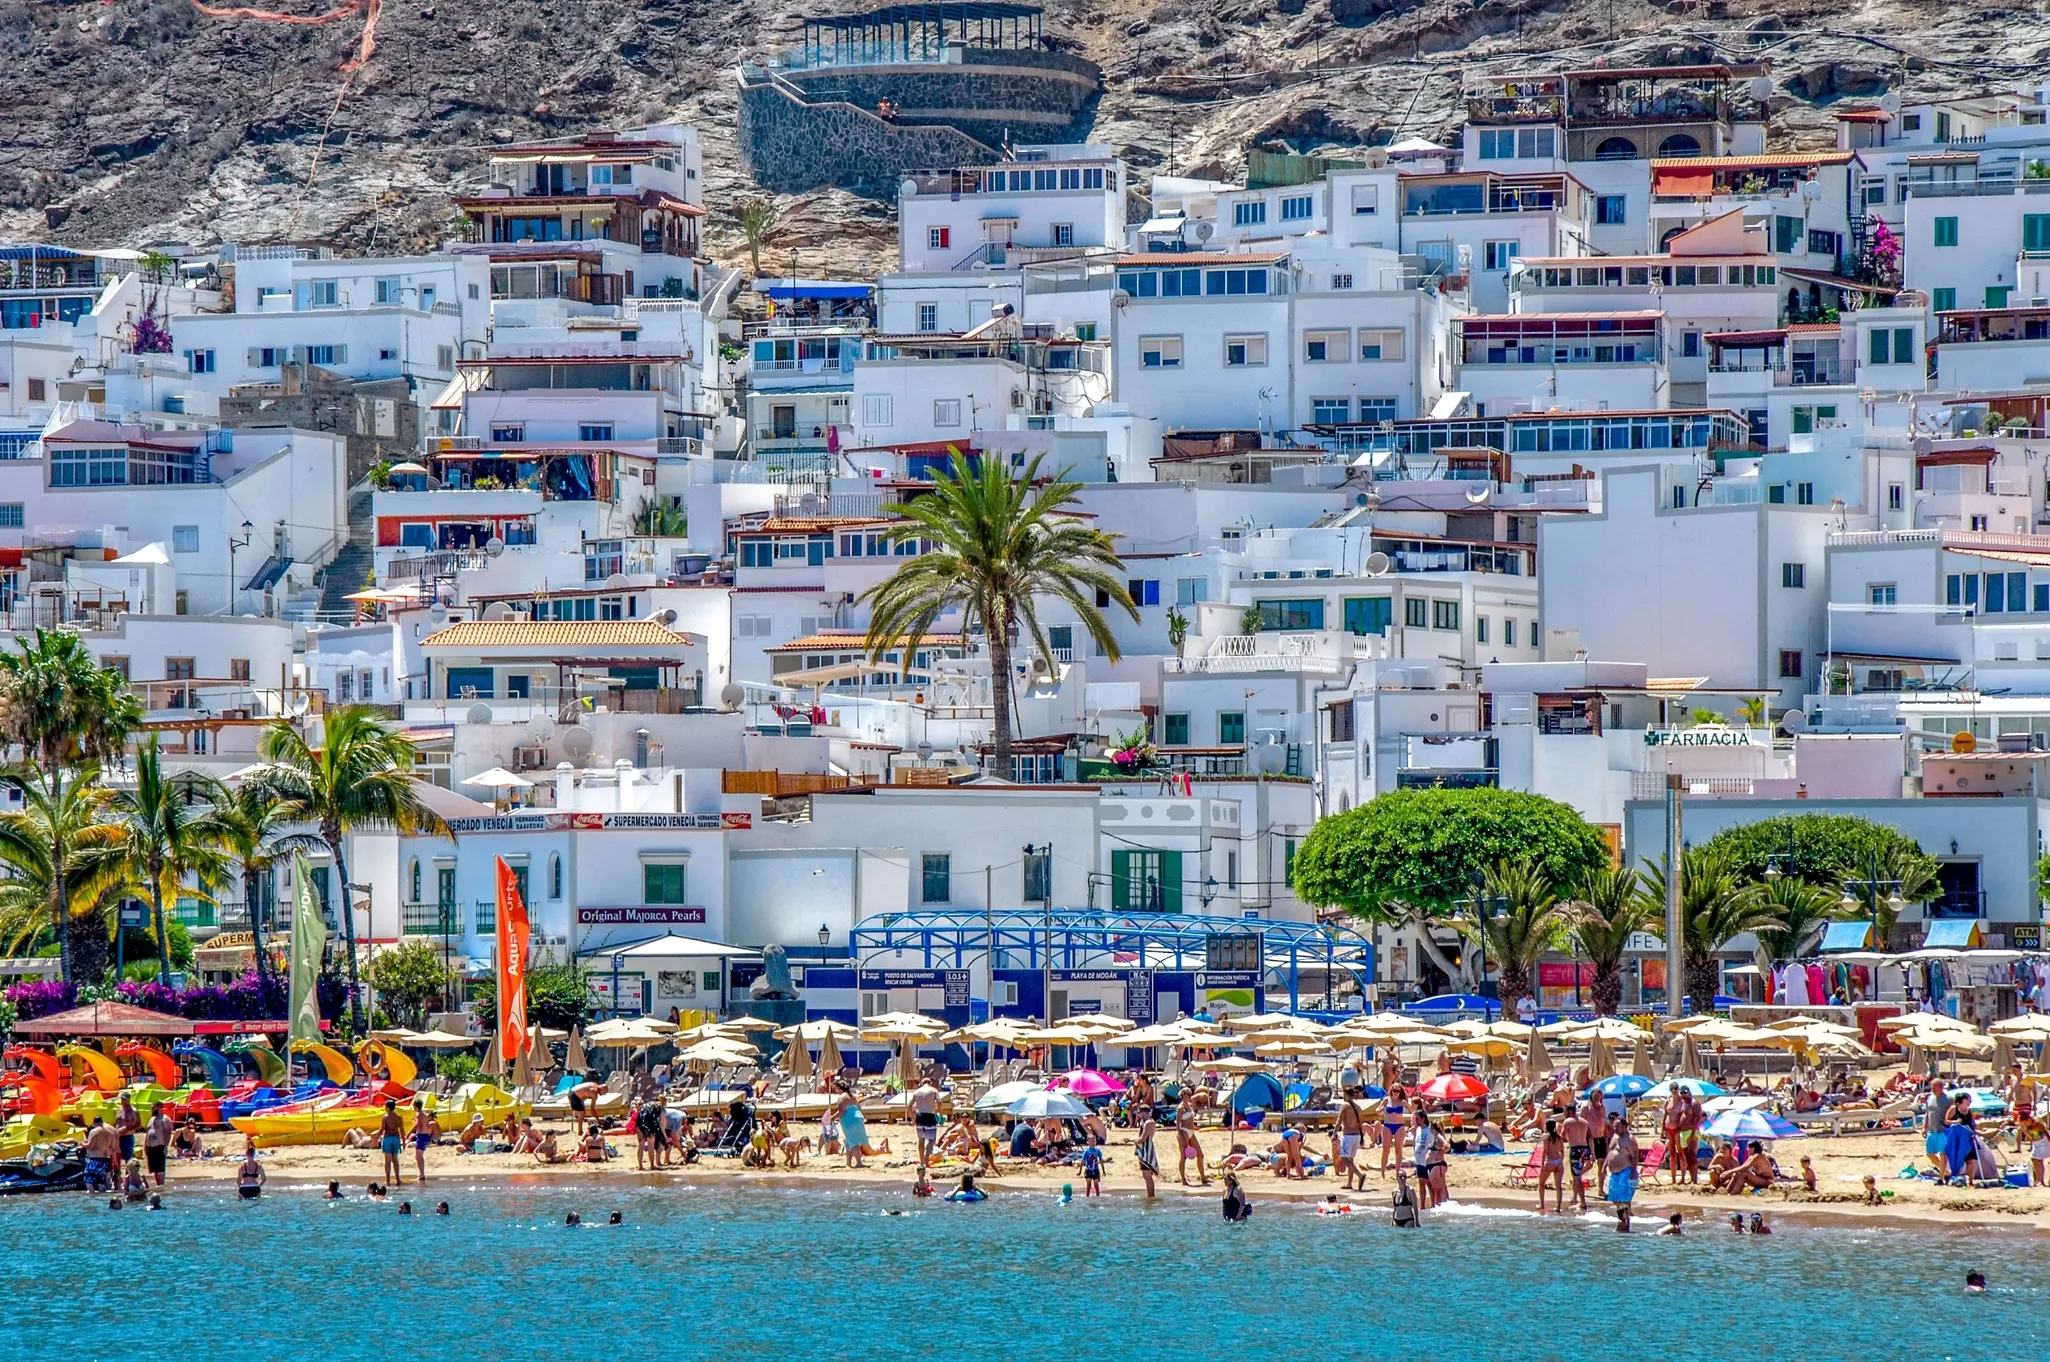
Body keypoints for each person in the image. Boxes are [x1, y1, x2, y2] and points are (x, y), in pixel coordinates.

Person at [1560, 1103, 1591, 1213]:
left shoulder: (1568, 1122)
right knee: (1576, 1175)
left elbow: (1563, 1136)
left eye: (1565, 1111)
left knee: (1577, 1177)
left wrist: (1568, 1137)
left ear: (1569, 1111)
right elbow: (1589, 1136)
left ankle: (1582, 1202)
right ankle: (1575, 1197)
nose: (1564, 1113)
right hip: (1585, 1149)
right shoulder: (1584, 1122)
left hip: (1575, 1150)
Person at [1603, 1135, 1637, 1232]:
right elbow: (1609, 1152)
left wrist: (1633, 1172)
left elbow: (1635, 1156)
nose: (1615, 1128)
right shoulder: (1613, 1137)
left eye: (1617, 1126)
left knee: (1626, 1198)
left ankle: (1627, 1215)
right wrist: (1604, 1165)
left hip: (1626, 1170)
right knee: (1613, 1197)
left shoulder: (1630, 1139)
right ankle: (1625, 1213)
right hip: (1614, 1173)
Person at [908, 1077, 941, 1171]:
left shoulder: (917, 1092)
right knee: (932, 1140)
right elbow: (940, 1102)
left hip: (919, 1116)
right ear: (930, 1083)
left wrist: (912, 1118)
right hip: (929, 1116)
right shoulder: (934, 1090)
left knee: (921, 1140)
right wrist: (941, 1114)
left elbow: (909, 1106)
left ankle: (922, 1161)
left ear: (922, 1083)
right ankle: (926, 1159)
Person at [1175, 1098, 1208, 1187]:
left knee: (1200, 1155)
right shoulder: (1180, 1108)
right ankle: (1183, 1179)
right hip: (1184, 1131)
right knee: (1183, 1157)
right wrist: (1181, 1136)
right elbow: (1178, 1124)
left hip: (1191, 1132)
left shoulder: (1189, 1106)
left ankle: (1203, 1177)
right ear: (1183, 1096)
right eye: (1187, 1094)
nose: (1189, 1096)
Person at [1335, 1093, 1364, 1191]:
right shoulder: (1358, 1107)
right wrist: (1362, 1137)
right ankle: (1349, 1183)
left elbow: (1339, 1121)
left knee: (1344, 1159)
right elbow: (1360, 1124)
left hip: (1347, 1135)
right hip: (1357, 1135)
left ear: (1346, 1095)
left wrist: (1334, 1133)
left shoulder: (1344, 1106)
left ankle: (1359, 1175)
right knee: (1350, 1160)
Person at [1536, 1119, 1566, 1215]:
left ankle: (1542, 1204)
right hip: (1558, 1162)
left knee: (1541, 1184)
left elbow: (1545, 1152)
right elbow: (1562, 1151)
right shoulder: (1559, 1137)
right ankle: (1558, 1207)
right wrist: (1560, 1160)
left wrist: (1542, 1164)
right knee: (1558, 1186)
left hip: (1549, 1162)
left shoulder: (1546, 1138)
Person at [82, 1116, 118, 1193]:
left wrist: (82, 1143)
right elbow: (113, 1149)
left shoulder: (94, 1132)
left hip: (95, 1160)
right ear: (102, 1122)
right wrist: (115, 1163)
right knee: (101, 1183)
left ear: (94, 1123)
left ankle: (92, 1201)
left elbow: (90, 1146)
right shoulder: (110, 1133)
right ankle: (102, 1200)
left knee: (89, 1182)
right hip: (106, 1160)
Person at [143, 1103, 172, 1188]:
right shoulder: (151, 1119)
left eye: (153, 1108)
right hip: (150, 1147)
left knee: (160, 1169)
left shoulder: (165, 1119)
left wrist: (166, 1146)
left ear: (159, 1107)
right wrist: (145, 1146)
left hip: (160, 1146)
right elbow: (147, 1133)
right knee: (154, 1169)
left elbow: (168, 1133)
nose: (152, 1110)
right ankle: (157, 1185)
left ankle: (161, 1186)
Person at [378, 1098, 404, 1186]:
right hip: (396, 1139)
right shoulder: (399, 1117)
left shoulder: (385, 1118)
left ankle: (388, 1180)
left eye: (385, 1106)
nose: (384, 1108)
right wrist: (403, 1142)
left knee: (388, 1161)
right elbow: (402, 1131)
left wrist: (377, 1137)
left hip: (388, 1139)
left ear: (388, 1107)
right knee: (395, 1160)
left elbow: (382, 1129)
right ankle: (398, 1179)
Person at [1134, 1111, 1159, 1199]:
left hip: (1146, 1151)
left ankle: (1151, 1197)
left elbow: (1143, 1138)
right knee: (1146, 1175)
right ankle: (1150, 1196)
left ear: (1143, 1112)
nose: (1138, 1115)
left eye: (1139, 1113)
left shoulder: (1148, 1122)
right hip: (1144, 1149)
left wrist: (1131, 1140)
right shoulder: (1145, 1121)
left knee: (1147, 1175)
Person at [411, 1100, 437, 1184]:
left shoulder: (419, 1114)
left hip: (421, 1136)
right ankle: (421, 1174)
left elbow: (417, 1125)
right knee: (419, 1156)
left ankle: (421, 1174)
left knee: (418, 1156)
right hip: (425, 1136)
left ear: (415, 1106)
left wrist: (409, 1133)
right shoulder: (424, 1115)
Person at [114, 1093, 141, 1167]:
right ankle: (117, 1176)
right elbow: (116, 1122)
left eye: (124, 1099)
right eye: (122, 1099)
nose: (122, 1101)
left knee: (128, 1159)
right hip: (118, 1137)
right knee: (116, 1157)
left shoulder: (134, 1111)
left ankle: (129, 1176)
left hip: (127, 1137)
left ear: (129, 1099)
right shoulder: (119, 1109)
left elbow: (139, 1125)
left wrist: (127, 1129)